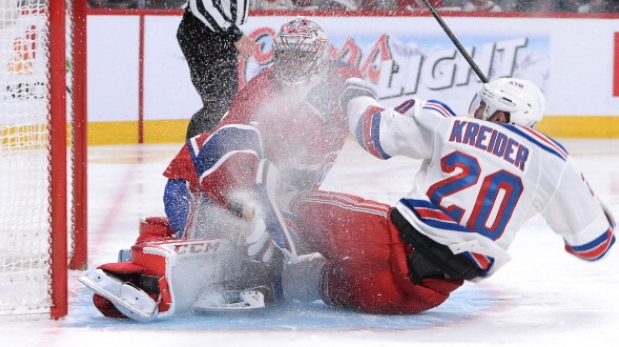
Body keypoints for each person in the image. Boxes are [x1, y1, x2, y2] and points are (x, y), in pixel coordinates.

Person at [79, 17, 365, 321]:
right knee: (212, 247)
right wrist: (245, 204)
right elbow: (229, 151)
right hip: (197, 185)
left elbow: (354, 93)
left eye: (301, 56)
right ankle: (146, 265)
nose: (292, 64)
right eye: (286, 55)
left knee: (269, 247)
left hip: (255, 187)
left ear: (320, 59)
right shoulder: (263, 90)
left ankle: (181, 251)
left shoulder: (338, 83)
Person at [279, 77, 616, 314]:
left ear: (499, 116)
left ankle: (245, 252)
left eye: (483, 106)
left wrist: (356, 92)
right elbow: (595, 245)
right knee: (305, 283)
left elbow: (373, 133)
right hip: (420, 298)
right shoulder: (551, 161)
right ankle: (282, 281)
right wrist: (581, 200)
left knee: (287, 205)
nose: (476, 111)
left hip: (384, 243)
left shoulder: (451, 126)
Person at [178, 0, 256, 140]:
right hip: (203, 31)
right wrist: (234, 35)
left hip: (216, 32)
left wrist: (230, 38)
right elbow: (201, 5)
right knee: (219, 103)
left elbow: (235, 15)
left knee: (225, 101)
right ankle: (194, 153)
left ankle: (201, 151)